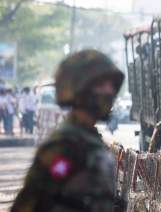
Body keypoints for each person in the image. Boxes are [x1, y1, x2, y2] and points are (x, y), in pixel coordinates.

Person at [11, 49, 125, 212]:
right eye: (100, 85)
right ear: (78, 89)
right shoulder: (66, 145)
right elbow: (31, 203)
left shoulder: (89, 139)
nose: (110, 91)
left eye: (111, 85)